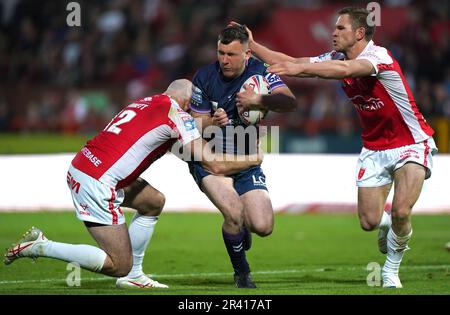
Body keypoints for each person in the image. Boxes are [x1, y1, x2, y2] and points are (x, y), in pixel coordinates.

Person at [231, 6, 438, 289]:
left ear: (360, 33)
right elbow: (292, 60)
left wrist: (299, 68)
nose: (334, 32)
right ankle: (387, 225)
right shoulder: (334, 57)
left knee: (402, 210)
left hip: (411, 143)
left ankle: (390, 269)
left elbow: (345, 70)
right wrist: (253, 46)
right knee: (369, 221)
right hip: (374, 148)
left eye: (340, 28)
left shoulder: (379, 57)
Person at [4, 79, 262, 289]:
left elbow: (176, 128)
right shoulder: (178, 115)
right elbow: (213, 164)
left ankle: (135, 277)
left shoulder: (146, 102)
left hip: (86, 165)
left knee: (153, 202)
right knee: (118, 264)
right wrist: (252, 159)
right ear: (186, 102)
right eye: (194, 106)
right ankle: (41, 245)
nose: (196, 110)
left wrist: (210, 122)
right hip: (98, 183)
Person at [188, 24, 297, 288]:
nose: (224, 59)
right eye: (221, 52)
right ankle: (242, 273)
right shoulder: (204, 77)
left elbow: (289, 102)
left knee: (263, 226)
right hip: (211, 157)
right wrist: (213, 123)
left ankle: (241, 228)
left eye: (231, 54)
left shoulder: (260, 72)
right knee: (234, 213)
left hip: (245, 155)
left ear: (247, 55)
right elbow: (195, 124)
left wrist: (259, 100)